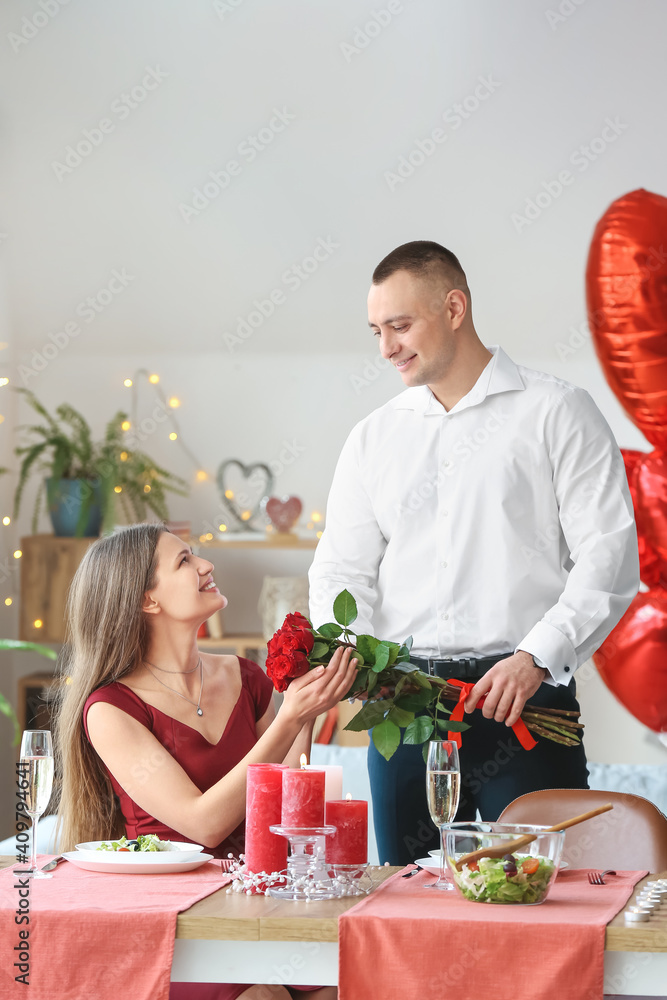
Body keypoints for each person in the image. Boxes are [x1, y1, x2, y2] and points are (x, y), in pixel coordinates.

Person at [308, 240, 640, 866]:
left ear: (454, 307)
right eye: (377, 331)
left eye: (400, 326)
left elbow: (610, 554)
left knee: (546, 899)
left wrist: (537, 658)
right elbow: (340, 568)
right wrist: (348, 648)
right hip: (405, 707)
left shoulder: (558, 412)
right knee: (406, 906)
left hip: (524, 701)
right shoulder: (372, 438)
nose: (386, 348)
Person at [55, 522, 357, 1000]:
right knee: (266, 996)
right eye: (184, 561)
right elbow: (205, 825)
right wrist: (288, 719)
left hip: (261, 899)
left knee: (353, 984)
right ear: (146, 600)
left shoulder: (243, 675)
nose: (205, 566)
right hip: (180, 920)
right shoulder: (110, 710)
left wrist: (309, 704)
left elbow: (287, 793)